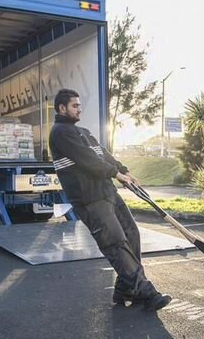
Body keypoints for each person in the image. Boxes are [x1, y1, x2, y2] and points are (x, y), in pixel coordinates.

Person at [49, 88, 172, 311]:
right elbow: (87, 160)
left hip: (108, 193)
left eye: (79, 105)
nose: (79, 109)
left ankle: (125, 289)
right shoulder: (59, 133)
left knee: (131, 234)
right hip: (90, 199)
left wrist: (124, 171)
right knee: (115, 243)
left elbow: (103, 155)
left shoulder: (84, 132)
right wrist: (115, 174)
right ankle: (146, 292)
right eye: (75, 106)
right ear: (62, 108)